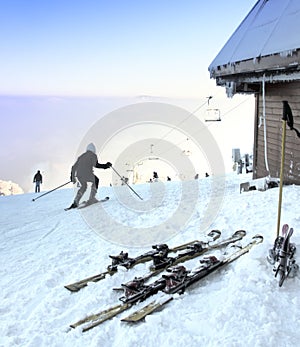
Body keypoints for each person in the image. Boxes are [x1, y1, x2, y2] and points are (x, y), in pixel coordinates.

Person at [68, 143, 112, 208]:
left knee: (84, 186)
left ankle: (76, 201)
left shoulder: (81, 156)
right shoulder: (93, 155)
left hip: (79, 175)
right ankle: (92, 198)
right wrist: (106, 165)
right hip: (87, 174)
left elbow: (74, 167)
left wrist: (72, 177)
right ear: (94, 150)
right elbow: (96, 165)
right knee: (96, 180)